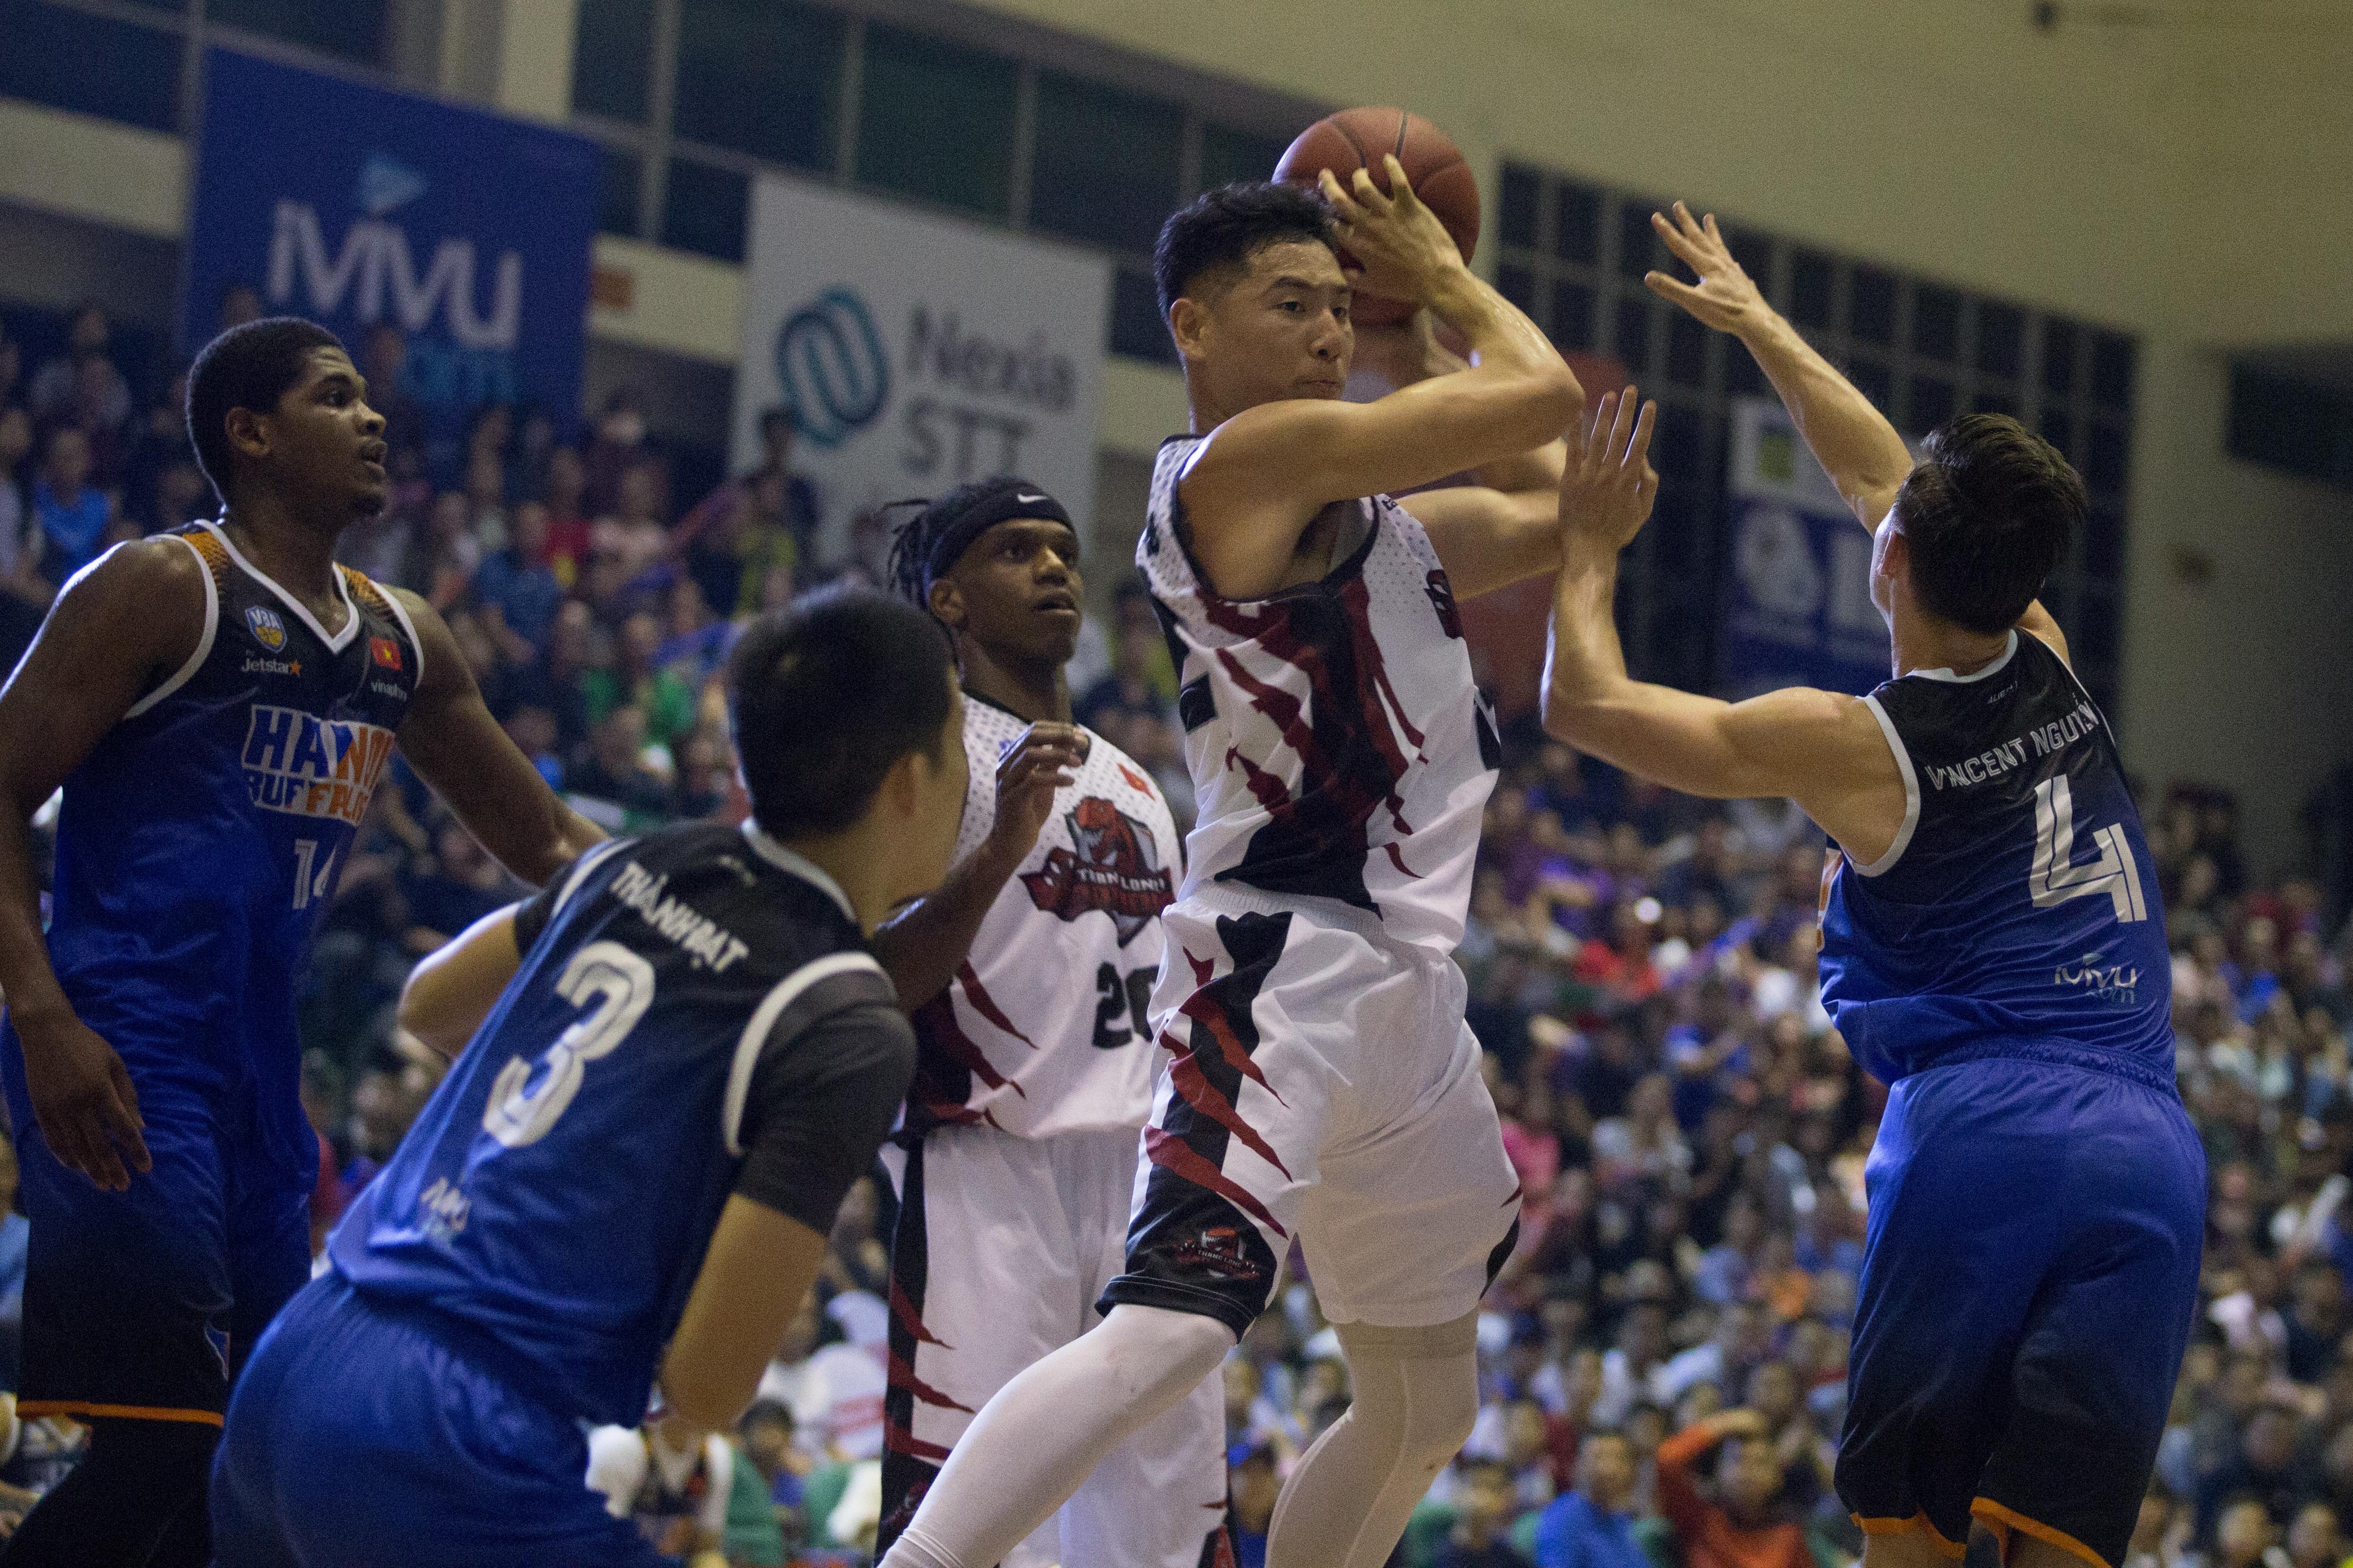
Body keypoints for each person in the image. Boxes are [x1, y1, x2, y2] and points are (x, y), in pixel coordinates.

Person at [880, 166, 1583, 1568]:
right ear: (1192, 328)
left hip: (1405, 980)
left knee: (1427, 1398)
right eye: (1293, 304)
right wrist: (1436, 280)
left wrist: (1419, 329)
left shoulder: (1387, 526)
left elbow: (1555, 499)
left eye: (1340, 307)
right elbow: (1543, 401)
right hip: (1282, 960)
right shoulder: (1230, 475)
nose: (1329, 331)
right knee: (1166, 1331)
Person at [1539, 202, 2203, 1568]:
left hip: (1981, 1127)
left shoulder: (1856, 746)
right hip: (2150, 1146)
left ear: (1888, 558)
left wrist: (1587, 544)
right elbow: (1880, 477)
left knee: (1906, 1536)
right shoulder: (2050, 655)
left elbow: (1584, 704)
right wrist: (1761, 324)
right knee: (2060, 1549)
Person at [0, 317, 606, 1568]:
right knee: (164, 1444)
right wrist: (42, 1019)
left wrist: (722, 886)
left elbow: (546, 837)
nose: (374, 417)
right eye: (336, 398)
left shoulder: (405, 637)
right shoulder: (163, 586)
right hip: (121, 1045)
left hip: (261, 1078)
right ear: (253, 433)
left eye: (369, 397)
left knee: (260, 1463)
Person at [210, 588, 962, 1565]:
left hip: (308, 1348)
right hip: (454, 1433)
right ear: (908, 781)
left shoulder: (640, 863)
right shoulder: (849, 1019)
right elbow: (705, 1386)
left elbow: (432, 1003)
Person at [869, 476, 1224, 1568]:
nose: (1054, 568)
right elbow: (869, 978)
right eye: (1016, 551)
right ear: (949, 602)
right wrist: (992, 853)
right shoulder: (922, 759)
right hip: (988, 1170)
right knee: (978, 1527)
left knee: (1161, 1529)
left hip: (1140, 1179)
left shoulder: (1134, 779)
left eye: (1062, 548)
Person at [1654, 1410, 1812, 1568]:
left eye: (1760, 1462)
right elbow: (1668, 1460)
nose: (1747, 1471)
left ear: (1777, 1477)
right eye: (1737, 1460)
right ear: (1718, 1471)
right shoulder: (1698, 1519)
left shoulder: (1791, 1536)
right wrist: (1723, 1424)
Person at [1531, 1431, 1648, 1568]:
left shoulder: (1619, 1520)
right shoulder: (1563, 1519)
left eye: (1618, 1458)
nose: (1610, 1469)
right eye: (1599, 1458)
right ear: (1578, 1466)